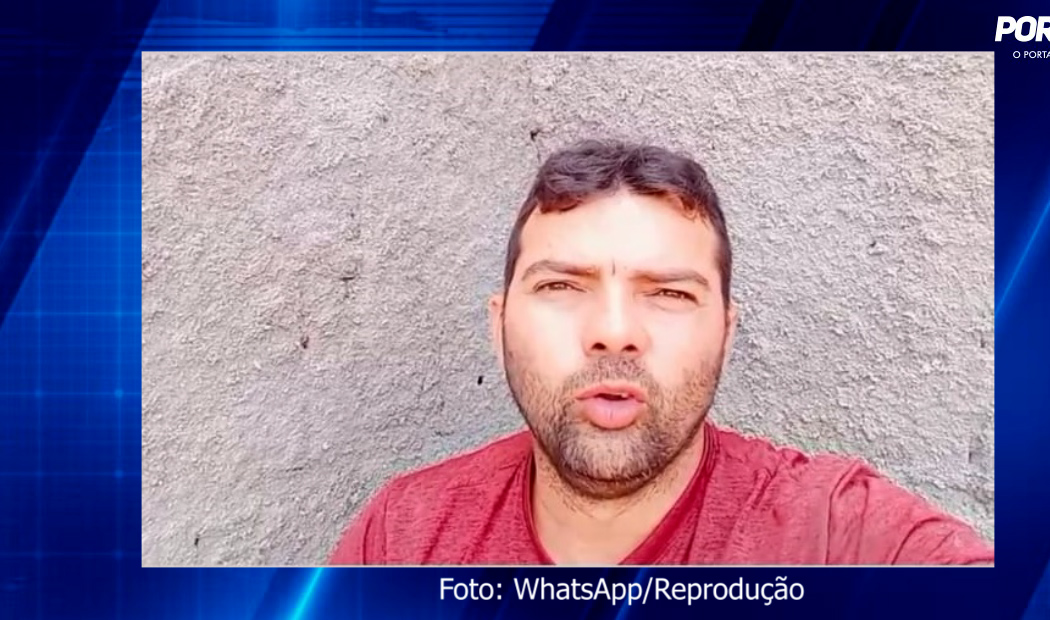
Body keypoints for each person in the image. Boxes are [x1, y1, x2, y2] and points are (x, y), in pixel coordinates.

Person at [328, 139, 994, 566]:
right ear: (499, 325)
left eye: (670, 293)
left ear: (726, 332)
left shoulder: (837, 537)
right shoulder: (403, 540)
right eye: (562, 286)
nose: (614, 331)